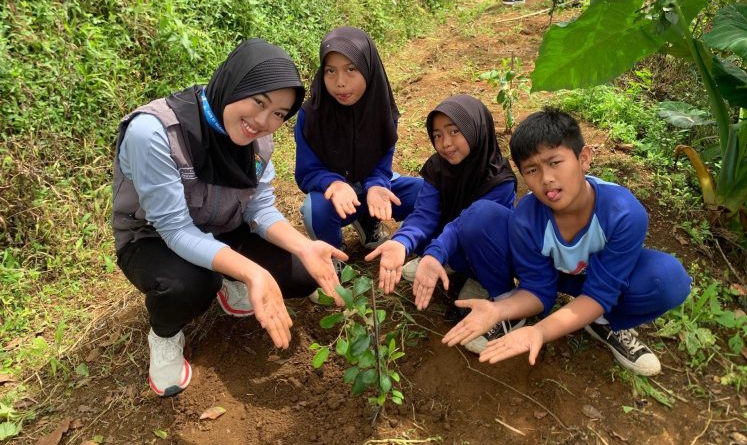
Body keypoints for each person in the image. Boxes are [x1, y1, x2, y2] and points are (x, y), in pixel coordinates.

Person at [113, 39, 348, 397]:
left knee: (302, 275)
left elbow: (258, 208)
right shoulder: (155, 132)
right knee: (188, 285)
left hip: (221, 228)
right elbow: (175, 230)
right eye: (259, 101)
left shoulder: (259, 142)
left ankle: (226, 279)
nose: (262, 122)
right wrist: (253, 271)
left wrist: (304, 246)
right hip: (152, 239)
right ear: (235, 81)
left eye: (279, 114)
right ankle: (165, 334)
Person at [423, 108, 691, 375]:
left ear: (584, 158)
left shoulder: (623, 213)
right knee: (481, 215)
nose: (546, 178)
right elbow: (537, 289)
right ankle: (516, 317)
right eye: (532, 170)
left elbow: (601, 291)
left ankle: (604, 322)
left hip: (600, 277)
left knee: (668, 278)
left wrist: (540, 331)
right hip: (555, 276)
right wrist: (499, 309)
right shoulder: (527, 218)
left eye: (555, 162)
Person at [364, 95, 517, 301]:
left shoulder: (500, 180)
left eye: (454, 131)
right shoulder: (438, 167)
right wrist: (402, 241)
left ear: (476, 129)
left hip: (481, 247)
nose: (445, 143)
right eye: (437, 135)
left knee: (475, 233)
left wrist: (437, 250)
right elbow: (424, 214)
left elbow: (468, 227)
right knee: (418, 233)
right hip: (451, 241)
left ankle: (485, 280)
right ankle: (444, 260)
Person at [295, 27, 423, 255]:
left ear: (368, 68)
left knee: (423, 192)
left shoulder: (382, 110)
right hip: (336, 197)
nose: (340, 82)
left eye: (351, 69)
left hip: (369, 188)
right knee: (315, 208)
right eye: (330, 71)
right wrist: (334, 184)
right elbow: (308, 171)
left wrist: (376, 184)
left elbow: (382, 165)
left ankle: (373, 224)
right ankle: (331, 254)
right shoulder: (311, 115)